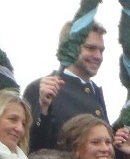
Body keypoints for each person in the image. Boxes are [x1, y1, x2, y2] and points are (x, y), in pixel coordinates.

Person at [25, 21, 112, 150]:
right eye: (90, 48)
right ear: (69, 48)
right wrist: (42, 109)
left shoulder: (95, 91)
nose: (98, 56)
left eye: (101, 50)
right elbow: (30, 145)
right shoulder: (40, 88)